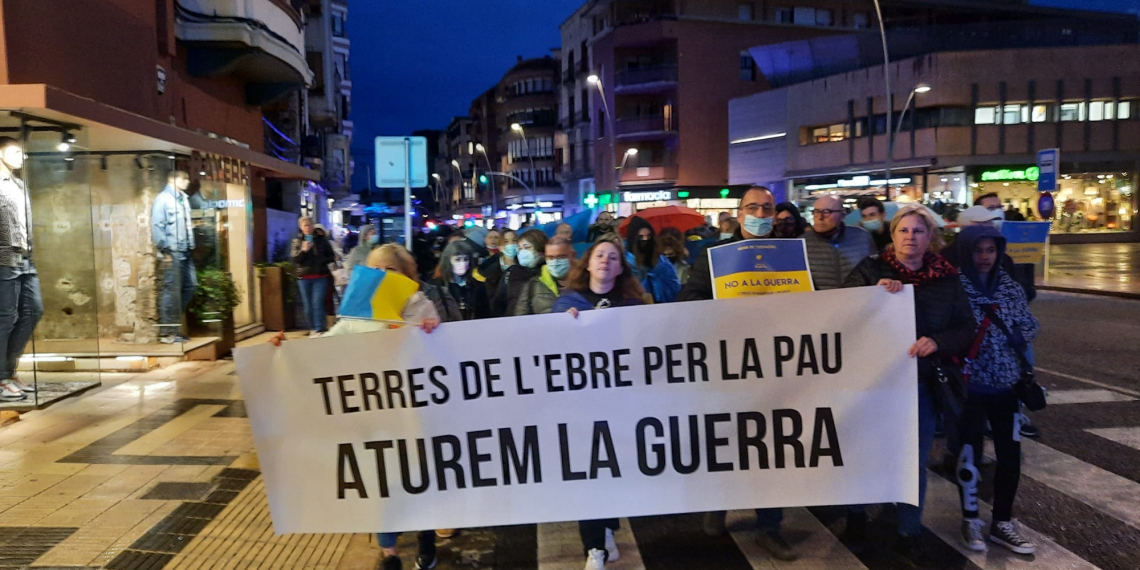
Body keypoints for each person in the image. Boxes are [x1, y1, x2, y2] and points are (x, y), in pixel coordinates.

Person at [268, 246, 441, 570]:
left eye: (391, 269)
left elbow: (441, 355)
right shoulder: (357, 313)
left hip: (415, 414)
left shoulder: (421, 308)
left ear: (407, 273)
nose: (384, 276)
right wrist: (287, 351)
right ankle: (389, 553)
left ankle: (426, 536)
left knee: (418, 478)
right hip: (373, 416)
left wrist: (433, 331)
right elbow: (328, 344)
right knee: (381, 480)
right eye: (375, 270)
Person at [843, 205, 976, 562]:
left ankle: (908, 528)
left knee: (911, 460)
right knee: (865, 452)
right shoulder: (871, 269)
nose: (910, 237)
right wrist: (872, 294)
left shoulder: (948, 278)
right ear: (892, 235)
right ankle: (856, 516)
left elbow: (966, 327)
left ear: (930, 237)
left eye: (918, 231)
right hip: (871, 381)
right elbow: (840, 312)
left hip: (921, 382)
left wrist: (938, 342)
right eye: (903, 230)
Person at [550, 239, 644, 570]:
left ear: (620, 268)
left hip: (620, 404)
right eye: (599, 255)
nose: (605, 260)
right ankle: (595, 548)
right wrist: (564, 327)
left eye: (613, 257)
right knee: (588, 472)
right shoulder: (566, 304)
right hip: (580, 407)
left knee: (613, 470)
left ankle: (607, 528)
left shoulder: (634, 307)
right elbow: (548, 350)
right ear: (588, 264)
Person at [950, 224, 1038, 555]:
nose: (984, 257)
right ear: (966, 252)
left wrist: (1019, 334)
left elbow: (1030, 324)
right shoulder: (954, 286)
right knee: (970, 454)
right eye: (978, 250)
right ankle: (970, 518)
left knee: (1010, 455)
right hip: (970, 385)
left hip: (1007, 384)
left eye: (990, 250)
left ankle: (1003, 521)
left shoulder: (1010, 287)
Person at [679, 186, 775, 301]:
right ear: (739, 216)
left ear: (774, 216)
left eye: (767, 207)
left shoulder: (792, 252)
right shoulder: (714, 254)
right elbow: (690, 296)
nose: (760, 214)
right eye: (752, 207)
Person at [810, 195, 877, 281]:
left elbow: (875, 270)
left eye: (827, 212)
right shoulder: (802, 243)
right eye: (816, 211)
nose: (820, 217)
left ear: (842, 215)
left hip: (858, 293)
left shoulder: (862, 237)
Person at [291, 216, 336, 335]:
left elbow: (331, 256)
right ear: (301, 227)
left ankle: (319, 328)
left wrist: (320, 259)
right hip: (304, 277)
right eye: (304, 225)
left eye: (309, 225)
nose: (307, 228)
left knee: (317, 303)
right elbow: (295, 259)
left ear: (313, 226)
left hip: (320, 276)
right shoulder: (297, 241)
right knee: (308, 306)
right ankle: (312, 327)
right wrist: (304, 250)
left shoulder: (321, 240)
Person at [625, 216, 681, 304]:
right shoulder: (625, 264)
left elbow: (674, 286)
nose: (645, 240)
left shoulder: (663, 263)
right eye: (641, 237)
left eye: (648, 236)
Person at [514, 236, 575, 315]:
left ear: (573, 255)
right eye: (550, 257)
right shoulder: (533, 285)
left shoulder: (586, 281)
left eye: (561, 257)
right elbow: (520, 317)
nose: (555, 262)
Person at [493, 229, 547, 316]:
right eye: (520, 248)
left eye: (527, 247)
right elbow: (499, 304)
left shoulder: (550, 272)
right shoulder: (511, 273)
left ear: (540, 249)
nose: (522, 252)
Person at [434, 240, 489, 320]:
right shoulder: (437, 286)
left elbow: (486, 315)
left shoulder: (478, 286)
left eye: (466, 259)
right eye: (457, 259)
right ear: (448, 260)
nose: (463, 263)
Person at [473, 229, 517, 302]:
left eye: (514, 241)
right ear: (500, 246)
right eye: (506, 242)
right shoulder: (487, 269)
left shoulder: (525, 267)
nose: (511, 244)